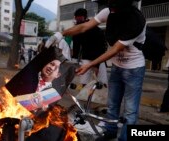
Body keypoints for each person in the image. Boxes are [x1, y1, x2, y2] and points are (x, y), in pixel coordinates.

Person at [46, 0, 146, 141]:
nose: (112, 11)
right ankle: (110, 133)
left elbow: (115, 49)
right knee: (112, 104)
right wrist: (61, 34)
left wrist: (90, 64)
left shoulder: (136, 21)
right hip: (117, 67)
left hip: (134, 69)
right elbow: (83, 27)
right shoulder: (109, 12)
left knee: (130, 110)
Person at [70, 8, 108, 88]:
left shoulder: (95, 29)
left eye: (77, 17)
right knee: (84, 81)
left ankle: (99, 95)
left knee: (101, 82)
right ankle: (86, 95)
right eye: (75, 17)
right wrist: (74, 58)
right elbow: (76, 45)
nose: (76, 19)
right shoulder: (78, 28)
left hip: (99, 58)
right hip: (86, 58)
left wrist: (96, 65)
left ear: (83, 17)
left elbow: (101, 47)